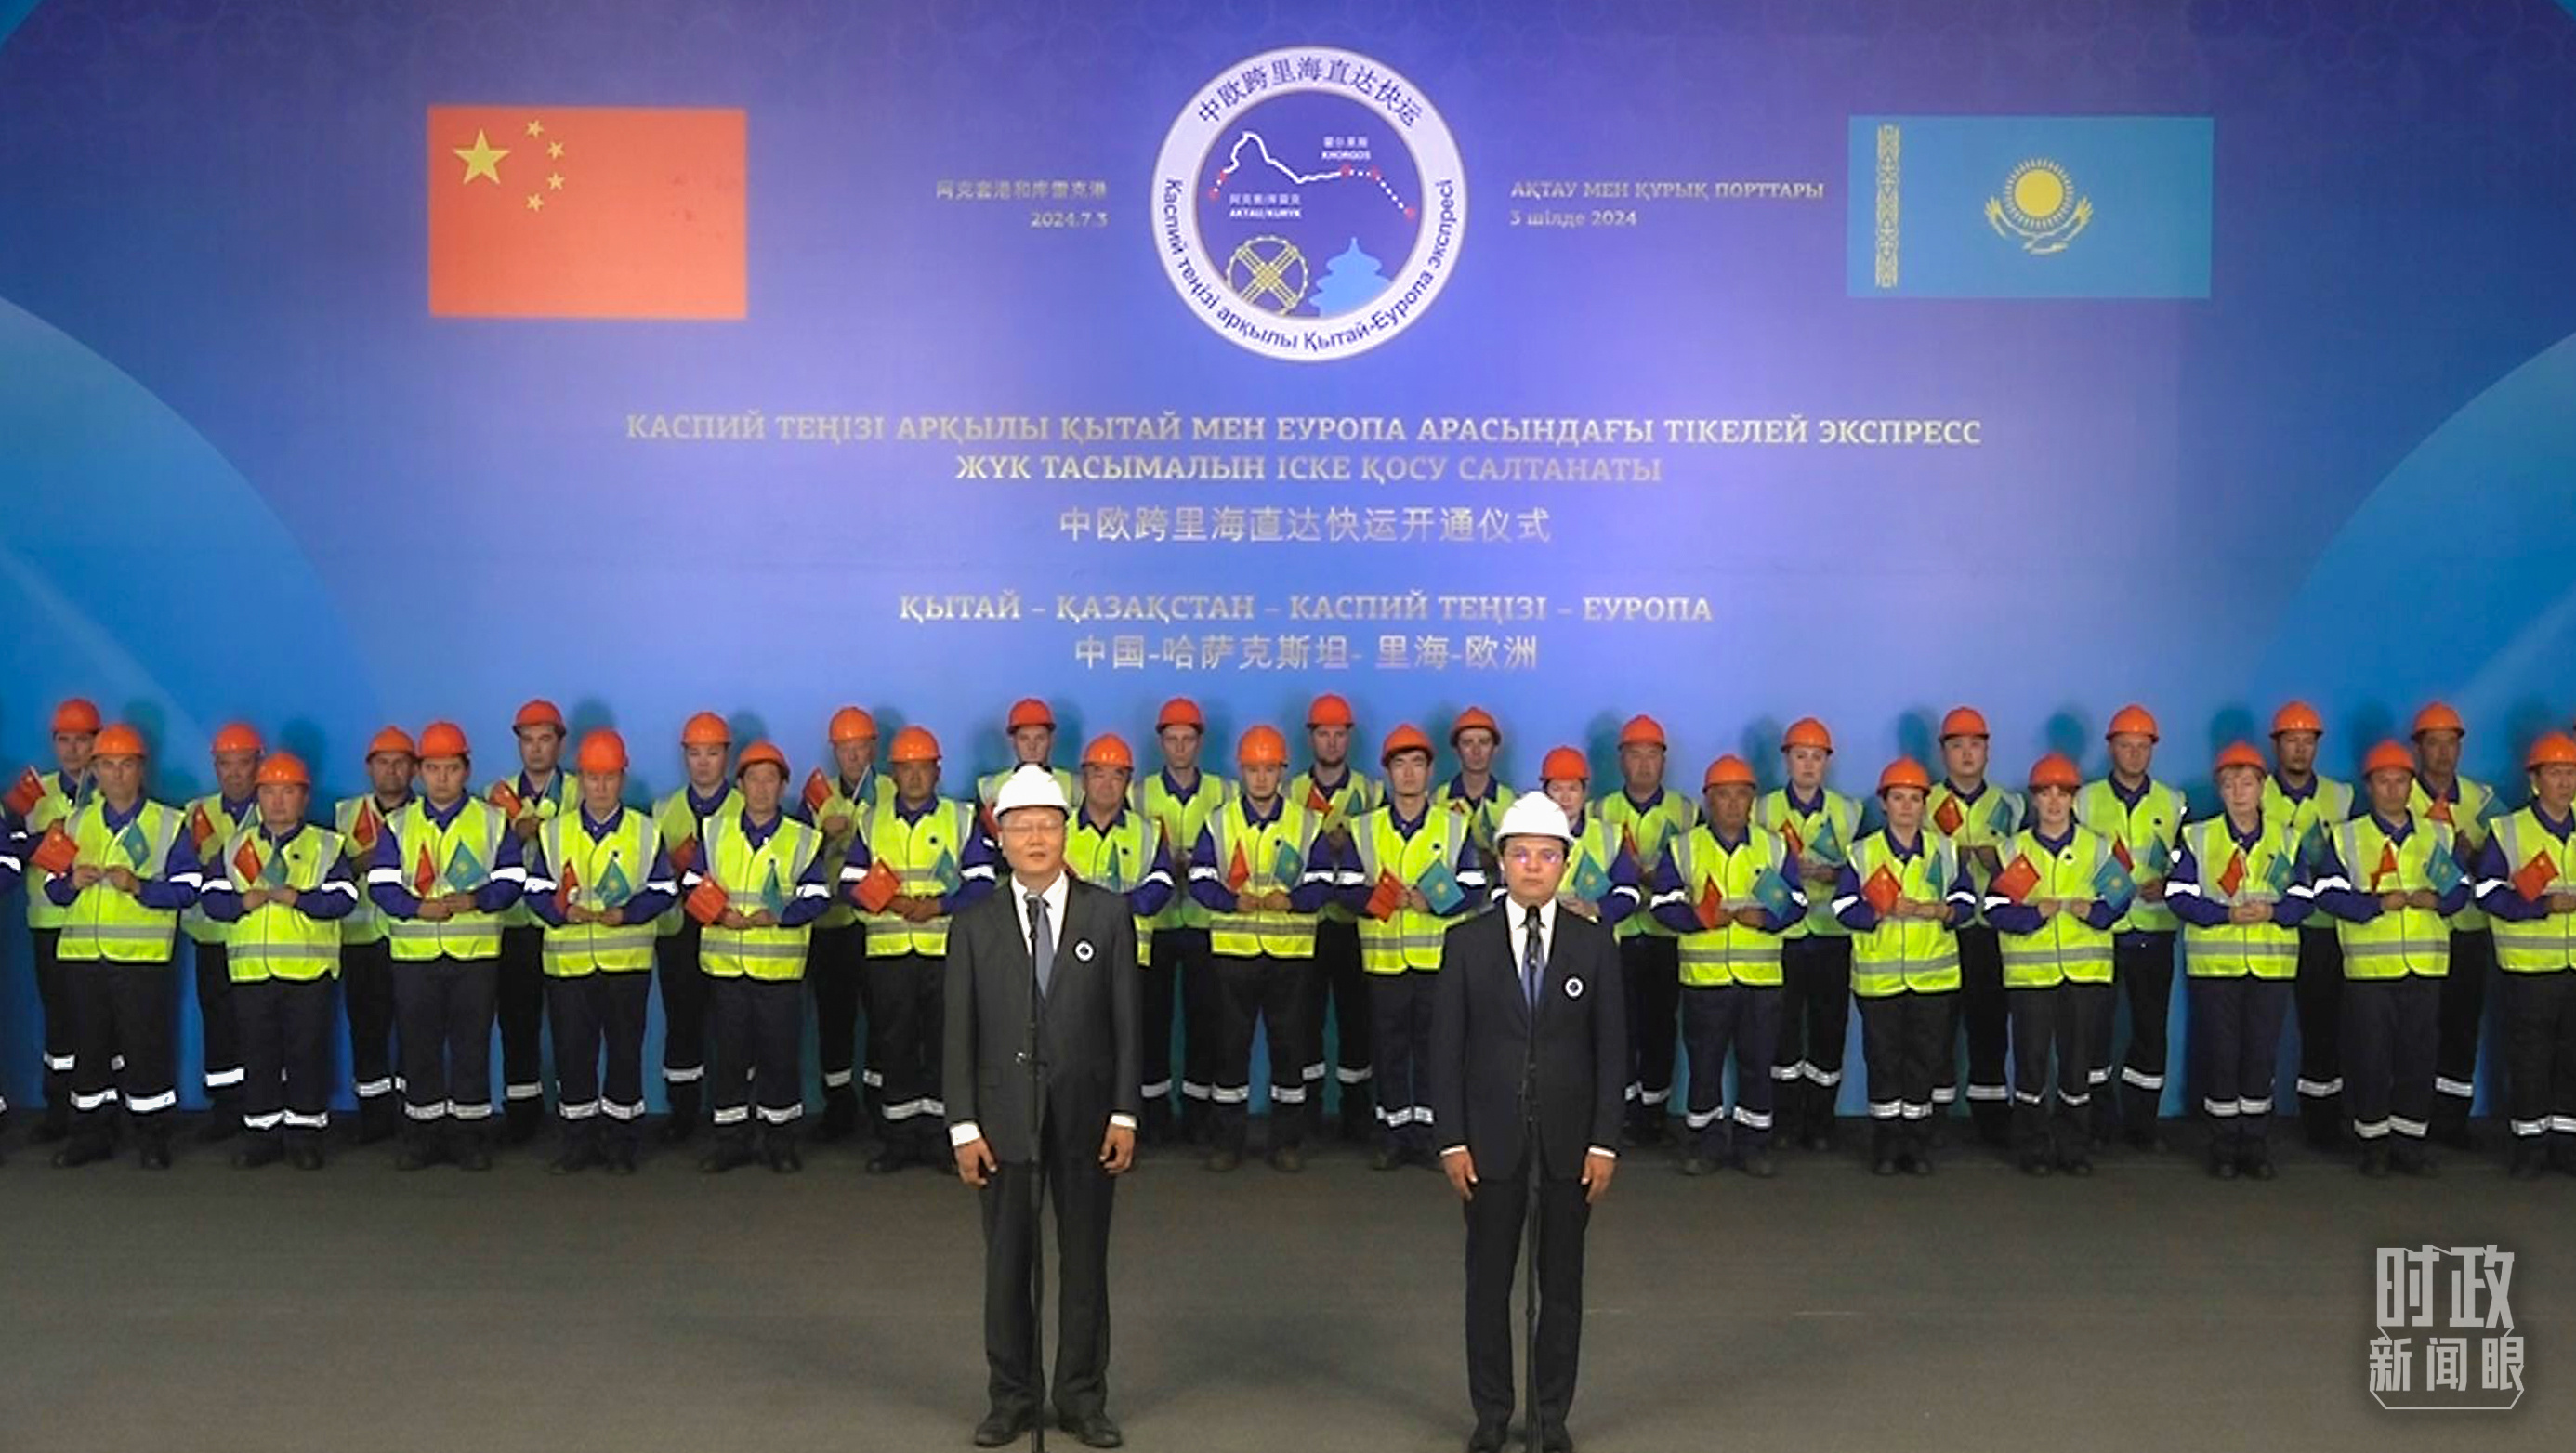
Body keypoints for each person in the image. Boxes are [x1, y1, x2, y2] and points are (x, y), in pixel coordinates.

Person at [946, 765, 1140, 1451]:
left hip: (1088, 1119)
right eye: (1021, 827)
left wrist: (1124, 1113)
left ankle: (1082, 1397)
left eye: (1047, 825)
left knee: (1084, 1264)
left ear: (1066, 832)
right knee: (1008, 1267)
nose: (1035, 838)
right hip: (1003, 1122)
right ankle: (1012, 1397)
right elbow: (958, 1032)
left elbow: (1128, 1024)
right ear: (1000, 839)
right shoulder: (973, 925)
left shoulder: (1107, 915)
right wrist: (963, 1125)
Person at [1431, 793, 1624, 1453]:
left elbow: (1612, 1050)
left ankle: (1550, 1415)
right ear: (1502, 862)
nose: (1533, 867)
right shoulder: (1466, 943)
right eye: (1521, 855)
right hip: (1489, 1145)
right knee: (1487, 1285)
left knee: (1561, 1285)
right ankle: (1491, 1413)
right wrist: (1452, 1140)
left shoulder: (1594, 945)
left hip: (1569, 1145)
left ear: (1565, 864)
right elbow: (1445, 1050)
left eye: (1546, 855)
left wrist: (1604, 1142)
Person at [40, 723, 201, 1170]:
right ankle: (90, 1135)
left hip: (141, 960)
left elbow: (190, 888)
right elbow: (51, 886)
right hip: (82, 959)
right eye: (107, 765)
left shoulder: (168, 823)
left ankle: (152, 1137)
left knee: (145, 1049)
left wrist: (141, 887)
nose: (116, 775)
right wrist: (71, 882)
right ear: (94, 770)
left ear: (141, 769)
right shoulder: (74, 823)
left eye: (126, 765)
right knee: (88, 1050)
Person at [368, 721, 525, 1172]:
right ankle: (423, 1137)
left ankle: (469, 1137)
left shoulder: (492, 820)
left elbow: (513, 878)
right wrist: (417, 909)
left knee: (471, 1047)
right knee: (419, 1048)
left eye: (451, 768)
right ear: (420, 772)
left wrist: (478, 900)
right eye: (433, 769)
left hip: (475, 957)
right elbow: (380, 884)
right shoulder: (398, 824)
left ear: (466, 771)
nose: (441, 778)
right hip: (414, 958)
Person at [1186, 725, 1341, 1172]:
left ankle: (1287, 1142)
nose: (1260, 777)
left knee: (1289, 1050)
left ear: (1282, 772)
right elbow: (1198, 877)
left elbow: (1324, 880)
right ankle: (1227, 1142)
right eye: (1253, 769)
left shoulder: (1306, 822)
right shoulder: (1219, 821)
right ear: (1241, 771)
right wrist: (1229, 901)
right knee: (1229, 1050)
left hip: (1290, 955)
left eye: (1269, 769)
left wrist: (1292, 900)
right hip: (1232, 952)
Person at [522, 729, 677, 1174]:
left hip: (626, 964)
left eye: (609, 777)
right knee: (574, 1057)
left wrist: (627, 914)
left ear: (622, 779)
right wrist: (562, 911)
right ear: (581, 779)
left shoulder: (645, 831)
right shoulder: (554, 833)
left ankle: (622, 1144)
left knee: (625, 1056)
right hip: (568, 965)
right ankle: (578, 1143)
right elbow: (533, 889)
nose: (601, 787)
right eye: (592, 777)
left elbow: (664, 890)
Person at [848, 725, 999, 1172]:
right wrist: (894, 903)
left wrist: (939, 905)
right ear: (893, 773)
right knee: (893, 1045)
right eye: (906, 768)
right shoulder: (871, 821)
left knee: (944, 1046)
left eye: (923, 768)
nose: (914, 777)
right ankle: (898, 1140)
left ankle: (941, 1139)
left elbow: (983, 882)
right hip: (889, 952)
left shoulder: (961, 818)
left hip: (946, 953)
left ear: (938, 771)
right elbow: (850, 883)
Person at [2312, 740, 2466, 1177]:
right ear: (2369, 786)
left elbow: (2461, 889)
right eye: (2384, 781)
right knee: (2370, 1059)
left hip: (2425, 967)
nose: (2393, 789)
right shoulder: (2348, 837)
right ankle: (2373, 1144)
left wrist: (2439, 900)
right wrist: (2376, 904)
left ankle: (2410, 1144)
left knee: (2418, 1058)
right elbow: (2326, 892)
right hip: (2369, 971)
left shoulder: (2438, 835)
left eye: (2401, 781)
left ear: (2411, 786)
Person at [197, 752, 357, 1170]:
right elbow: (210, 898)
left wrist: (300, 899)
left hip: (309, 972)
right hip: (251, 972)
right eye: (269, 792)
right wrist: (240, 903)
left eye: (288, 792)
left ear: (305, 798)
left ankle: (305, 1137)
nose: (278, 801)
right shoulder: (235, 846)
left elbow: (345, 898)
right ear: (258, 797)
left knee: (307, 1055)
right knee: (258, 1056)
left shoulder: (326, 845)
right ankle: (262, 1136)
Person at [1648, 754, 1804, 1177]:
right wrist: (1701, 918)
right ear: (1708, 800)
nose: (1733, 804)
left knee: (1757, 1065)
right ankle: (1705, 1144)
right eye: (1723, 795)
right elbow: (1661, 903)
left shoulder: (1774, 846)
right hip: (1705, 979)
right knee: (1705, 1066)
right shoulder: (1684, 847)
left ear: (1753, 800)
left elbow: (1798, 902)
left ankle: (1754, 1146)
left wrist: (1765, 919)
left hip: (1761, 980)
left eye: (1741, 795)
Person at [2167, 741, 2313, 1181]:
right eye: (2229, 784)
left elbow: (2305, 897)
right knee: (2222, 1056)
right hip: (2216, 970)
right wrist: (2225, 915)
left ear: (2262, 787)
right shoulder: (2199, 837)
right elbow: (2178, 896)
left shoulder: (2287, 839)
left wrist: (2272, 911)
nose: (2238, 792)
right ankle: (2223, 1145)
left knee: (2260, 1057)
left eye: (2247, 783)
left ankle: (2256, 1142)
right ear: (2220, 790)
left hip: (2271, 967)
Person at [684, 740, 832, 1173]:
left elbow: (818, 896)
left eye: (771, 780)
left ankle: (779, 1142)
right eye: (754, 779)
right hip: (726, 968)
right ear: (741, 785)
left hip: (779, 970)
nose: (762, 788)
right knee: (729, 1058)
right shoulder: (714, 832)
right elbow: (690, 883)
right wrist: (719, 913)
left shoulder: (802, 839)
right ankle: (730, 1141)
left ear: (783, 786)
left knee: (779, 1058)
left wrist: (780, 915)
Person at [1347, 724, 1489, 1168]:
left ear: (1430, 771)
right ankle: (1391, 1135)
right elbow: (1345, 888)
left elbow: (1475, 887)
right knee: (1387, 1051)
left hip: (1438, 961)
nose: (1408, 773)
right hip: (1384, 961)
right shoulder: (1364, 828)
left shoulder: (1454, 826)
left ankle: (1431, 1135)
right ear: (1387, 772)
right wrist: (1384, 899)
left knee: (1436, 1051)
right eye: (1399, 764)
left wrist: (1432, 902)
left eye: (1417, 764)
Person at [1981, 753, 2126, 1177]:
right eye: (2046, 794)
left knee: (2077, 1065)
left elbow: (2120, 899)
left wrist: (2092, 912)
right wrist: (2033, 915)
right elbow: (1994, 909)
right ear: (2034, 800)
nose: (2054, 802)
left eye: (2063, 794)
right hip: (2030, 977)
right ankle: (2032, 1147)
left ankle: (2074, 1147)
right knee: (2031, 1064)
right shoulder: (2015, 850)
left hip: (2085, 975)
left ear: (2074, 799)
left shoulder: (2096, 848)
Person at [1833, 757, 1978, 1176]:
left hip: (1933, 979)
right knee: (1883, 1062)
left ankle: (1916, 1144)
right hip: (1878, 981)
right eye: (1898, 798)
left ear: (1924, 804)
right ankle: (1885, 1143)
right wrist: (1878, 912)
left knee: (1923, 1062)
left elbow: (1968, 901)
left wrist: (1941, 910)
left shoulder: (1945, 851)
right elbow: (1843, 907)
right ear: (1884, 803)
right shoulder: (1863, 853)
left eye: (1915, 799)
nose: (1906, 807)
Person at [2073, 705, 2187, 1150]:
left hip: (2155, 931)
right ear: (2111, 748)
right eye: (2126, 746)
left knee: (2150, 1032)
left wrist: (2171, 884)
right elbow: (2071, 859)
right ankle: (2098, 1124)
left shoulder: (2174, 802)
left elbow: (2190, 859)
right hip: (2101, 934)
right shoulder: (2084, 800)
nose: (2135, 754)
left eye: (2143, 747)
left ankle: (2143, 1126)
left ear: (2153, 750)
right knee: (2094, 1033)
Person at [2470, 730, 2576, 1180]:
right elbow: (2487, 892)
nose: (2565, 782)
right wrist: (2541, 906)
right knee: (2530, 1059)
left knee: (2573, 1059)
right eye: (2555, 773)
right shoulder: (2509, 830)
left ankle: (2567, 1146)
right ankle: (2529, 1146)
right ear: (2534, 780)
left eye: (2571, 773)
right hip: (2529, 969)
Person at [1755, 717, 1861, 1150]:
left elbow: (1868, 870)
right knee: (1781, 1031)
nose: (1808, 765)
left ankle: (1820, 1122)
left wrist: (1834, 874)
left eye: (1817, 757)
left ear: (1827, 762)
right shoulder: (1761, 810)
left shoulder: (1849, 811)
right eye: (1800, 756)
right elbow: (1747, 865)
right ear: (1786, 759)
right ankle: (1784, 1120)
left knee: (1828, 1029)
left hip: (1832, 934)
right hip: (1781, 936)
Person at [1596, 714, 1697, 1146]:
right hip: (1615, 936)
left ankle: (1654, 1114)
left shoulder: (1687, 812)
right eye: (1634, 755)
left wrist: (1660, 879)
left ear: (1664, 761)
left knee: (1660, 1027)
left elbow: (1703, 873)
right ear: (1620, 760)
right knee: (1615, 1028)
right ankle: (1620, 1114)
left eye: (1651, 755)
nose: (1643, 764)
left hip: (1665, 936)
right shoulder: (1599, 811)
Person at [1925, 706, 2023, 1147]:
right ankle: (1934, 1117)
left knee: (1990, 1026)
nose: (1967, 753)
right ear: (1943, 752)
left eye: (1975, 745)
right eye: (1957, 745)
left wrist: (1996, 862)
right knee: (1938, 1027)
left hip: (1995, 931)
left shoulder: (2013, 805)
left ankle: (1992, 1118)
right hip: (1941, 933)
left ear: (1988, 751)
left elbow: (2032, 865)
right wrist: (1956, 859)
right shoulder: (1921, 801)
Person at [1289, 692, 1383, 1145]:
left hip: (1356, 925)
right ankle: (1307, 1113)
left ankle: (1355, 1113)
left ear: (1350, 738)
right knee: (1303, 1022)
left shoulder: (1372, 792)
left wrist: (1350, 848)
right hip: (1304, 925)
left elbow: (1385, 851)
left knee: (1356, 1023)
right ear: (1311, 738)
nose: (1331, 742)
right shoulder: (1290, 791)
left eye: (1339, 734)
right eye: (1323, 733)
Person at [1134, 697, 1228, 1145]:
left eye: (1188, 739)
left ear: (1200, 743)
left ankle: (1197, 1115)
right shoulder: (1138, 793)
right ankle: (1153, 1115)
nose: (1180, 748)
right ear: (1161, 743)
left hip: (1208, 924)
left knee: (1205, 1023)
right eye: (1172, 739)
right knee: (1152, 1024)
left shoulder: (1225, 793)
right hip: (1154, 928)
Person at [2264, 700, 2355, 1151]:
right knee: (2259, 1030)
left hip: (2323, 928)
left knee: (2323, 1029)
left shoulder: (2341, 797)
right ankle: (2251, 1124)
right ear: (2276, 746)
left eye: (2307, 741)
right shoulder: (2254, 790)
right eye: (2291, 741)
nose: (2299, 749)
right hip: (2271, 928)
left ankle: (2322, 1124)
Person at [2406, 701, 2497, 1148]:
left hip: (2470, 930)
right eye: (2433, 744)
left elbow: (2508, 859)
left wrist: (2472, 856)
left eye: (2450, 744)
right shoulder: (2401, 794)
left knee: (2462, 1027)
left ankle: (2453, 1122)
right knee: (2419, 1030)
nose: (2443, 753)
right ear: (2419, 749)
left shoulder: (2482, 799)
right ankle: (2414, 1118)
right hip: (2421, 933)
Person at [11, 697, 100, 1144]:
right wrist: (43, 842)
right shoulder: (32, 793)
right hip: (48, 924)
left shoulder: (112, 788)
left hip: (96, 924)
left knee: (100, 1021)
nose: (72, 750)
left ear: (96, 742)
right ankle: (58, 1109)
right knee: (59, 1020)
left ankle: (104, 1110)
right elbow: (8, 847)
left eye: (81, 740)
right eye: (64, 740)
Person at [651, 711, 740, 1143]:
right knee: (682, 1023)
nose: (703, 762)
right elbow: (645, 875)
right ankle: (682, 1113)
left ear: (727, 756)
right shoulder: (663, 810)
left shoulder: (748, 804)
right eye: (695, 753)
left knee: (734, 1025)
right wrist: (672, 867)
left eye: (712, 753)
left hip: (731, 930)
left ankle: (735, 1111)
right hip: (679, 931)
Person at [491, 698, 577, 1145]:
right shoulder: (495, 795)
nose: (537, 748)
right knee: (516, 1023)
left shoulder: (581, 790)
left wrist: (542, 832)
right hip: (511, 924)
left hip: (563, 926)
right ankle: (521, 1115)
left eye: (545, 739)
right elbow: (479, 855)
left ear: (560, 744)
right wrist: (512, 834)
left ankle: (573, 1113)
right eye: (528, 740)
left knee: (570, 1024)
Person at [177, 721, 264, 1140]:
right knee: (219, 1027)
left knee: (265, 1029)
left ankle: (265, 1108)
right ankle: (226, 1110)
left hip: (262, 942)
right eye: (225, 764)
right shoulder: (195, 814)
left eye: (242, 763)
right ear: (215, 766)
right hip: (211, 940)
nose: (234, 773)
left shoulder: (277, 805)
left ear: (258, 764)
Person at [807, 706, 888, 1144]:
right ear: (834, 751)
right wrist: (822, 836)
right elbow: (791, 857)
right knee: (833, 1022)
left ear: (874, 747)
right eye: (845, 749)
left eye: (861, 747)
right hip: (829, 926)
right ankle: (837, 1108)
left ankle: (881, 1106)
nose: (854, 756)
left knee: (883, 1018)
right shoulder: (815, 798)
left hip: (878, 924)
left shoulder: (893, 790)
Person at [335, 726, 417, 1144]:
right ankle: (373, 1116)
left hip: (412, 939)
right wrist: (361, 862)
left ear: (414, 769)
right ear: (369, 768)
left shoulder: (429, 815)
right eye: (383, 762)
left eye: (400, 763)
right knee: (367, 1030)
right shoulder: (345, 815)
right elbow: (327, 872)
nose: (391, 771)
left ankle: (412, 1112)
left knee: (415, 1031)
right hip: (360, 940)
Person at [1432, 706, 1516, 863]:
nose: (1476, 751)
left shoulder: (1509, 802)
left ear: (1495, 749)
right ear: (1456, 750)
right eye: (1467, 743)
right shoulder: (1439, 799)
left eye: (1484, 742)